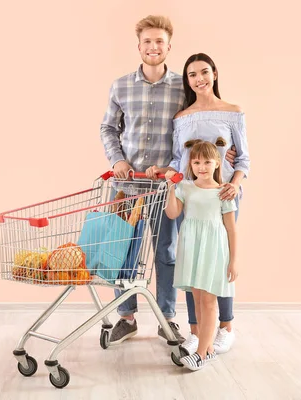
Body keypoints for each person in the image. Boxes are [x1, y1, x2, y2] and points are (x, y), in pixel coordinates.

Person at [146, 52, 250, 355]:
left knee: (219, 262)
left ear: (214, 73)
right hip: (190, 198)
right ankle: (194, 330)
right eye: (192, 75)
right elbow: (180, 161)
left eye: (204, 72)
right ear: (187, 81)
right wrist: (167, 173)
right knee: (192, 260)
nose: (199, 79)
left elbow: (242, 157)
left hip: (222, 196)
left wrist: (233, 184)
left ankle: (225, 327)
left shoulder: (233, 112)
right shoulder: (182, 117)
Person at [99, 15, 187, 345]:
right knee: (122, 253)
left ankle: (167, 319)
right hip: (127, 187)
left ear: (168, 46)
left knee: (166, 252)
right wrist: (117, 159)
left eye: (159, 41)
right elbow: (108, 128)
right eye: (147, 41)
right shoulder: (121, 85)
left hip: (165, 190)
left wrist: (226, 150)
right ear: (139, 46)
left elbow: (193, 130)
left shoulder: (182, 87)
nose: (153, 46)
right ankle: (127, 317)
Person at [164, 139, 238, 371]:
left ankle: (201, 353)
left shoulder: (222, 192)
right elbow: (173, 213)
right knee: (197, 300)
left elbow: (231, 229)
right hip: (191, 249)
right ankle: (207, 349)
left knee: (208, 301)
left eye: (207, 162)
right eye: (196, 162)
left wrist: (233, 261)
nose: (202, 167)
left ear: (217, 163)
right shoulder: (185, 187)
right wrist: (170, 188)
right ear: (190, 164)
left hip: (213, 250)